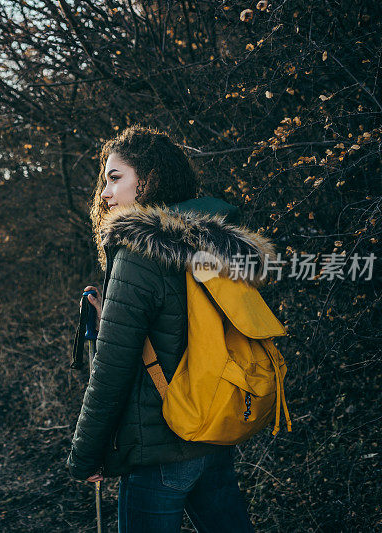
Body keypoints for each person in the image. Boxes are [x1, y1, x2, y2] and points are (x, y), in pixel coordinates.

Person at [66, 125, 271, 532]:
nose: (105, 193)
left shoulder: (138, 254)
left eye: (114, 177)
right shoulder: (215, 244)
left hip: (160, 445)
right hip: (213, 431)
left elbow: (111, 368)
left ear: (148, 181)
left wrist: (86, 455)